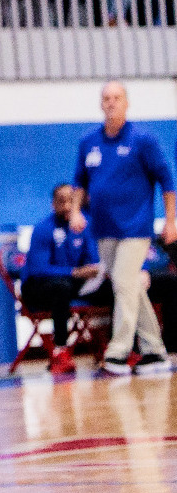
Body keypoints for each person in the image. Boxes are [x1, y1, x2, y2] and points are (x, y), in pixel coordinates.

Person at [74, 81, 174, 376]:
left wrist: (171, 220)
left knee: (121, 281)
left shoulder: (143, 140)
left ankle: (118, 352)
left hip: (135, 228)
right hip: (104, 229)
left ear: (127, 103)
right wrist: (77, 211)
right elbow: (79, 181)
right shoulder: (88, 142)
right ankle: (155, 351)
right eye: (106, 98)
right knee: (130, 286)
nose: (111, 102)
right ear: (100, 104)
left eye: (117, 98)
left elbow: (167, 181)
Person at [19, 183, 100, 374]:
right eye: (61, 201)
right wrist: (74, 272)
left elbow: (93, 260)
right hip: (37, 288)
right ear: (53, 204)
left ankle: (115, 347)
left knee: (113, 285)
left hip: (69, 283)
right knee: (60, 287)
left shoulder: (84, 226)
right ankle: (60, 351)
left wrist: (94, 269)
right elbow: (39, 269)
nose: (66, 206)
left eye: (71, 201)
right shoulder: (43, 229)